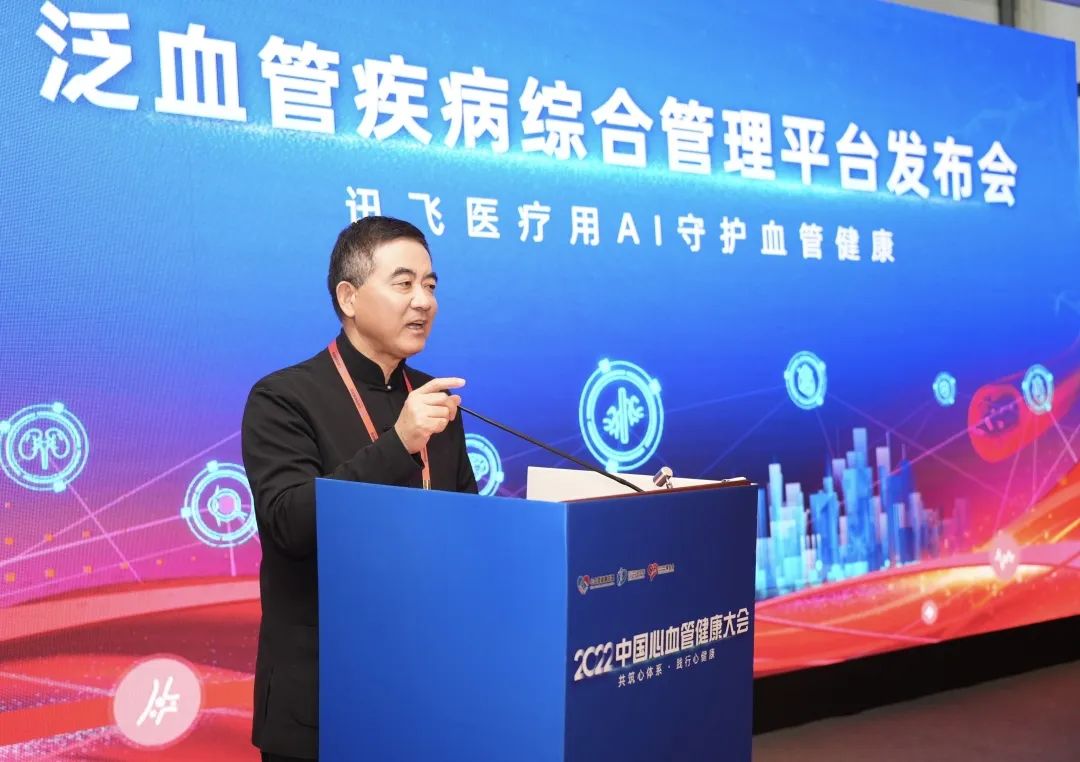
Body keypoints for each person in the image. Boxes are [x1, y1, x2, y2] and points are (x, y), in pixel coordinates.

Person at [241, 216, 478, 761]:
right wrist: (399, 443)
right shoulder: (283, 398)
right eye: (404, 283)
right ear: (349, 297)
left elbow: (465, 527)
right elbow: (290, 523)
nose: (423, 301)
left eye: (430, 285)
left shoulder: (434, 399)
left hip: (424, 691)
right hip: (323, 704)